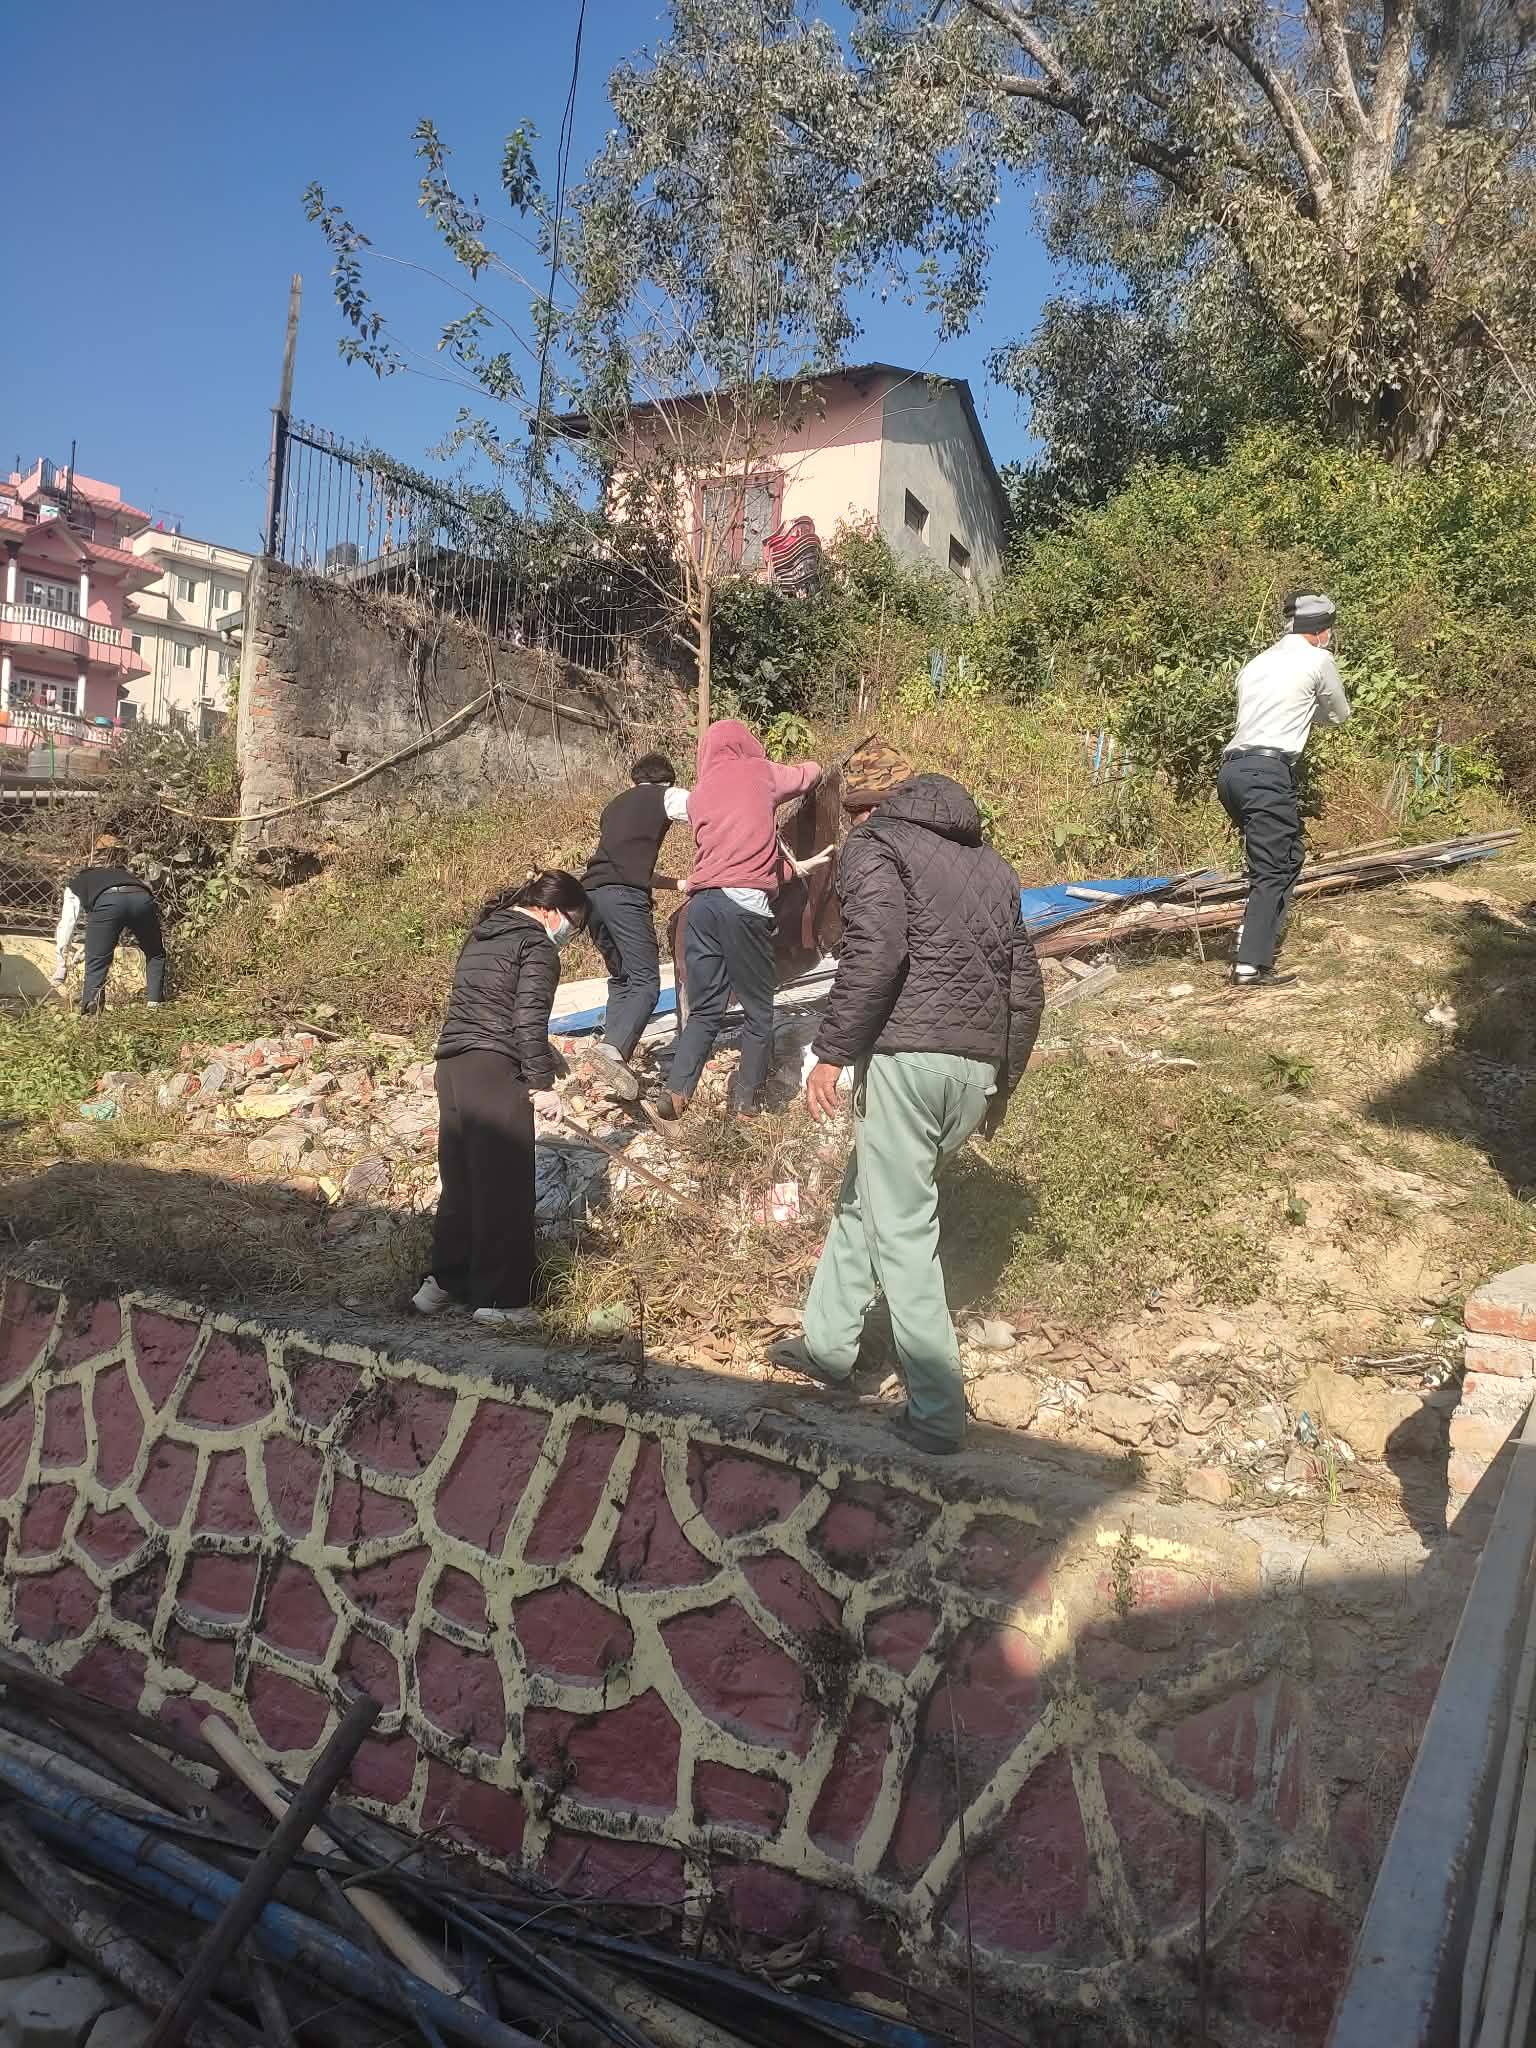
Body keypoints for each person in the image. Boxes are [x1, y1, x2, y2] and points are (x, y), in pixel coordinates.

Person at [770, 748, 1044, 1455]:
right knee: (868, 1197)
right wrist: (1003, 1083)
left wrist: (832, 1051)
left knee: (902, 1231)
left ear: (865, 808)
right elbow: (1024, 982)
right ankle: (827, 1347)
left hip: (908, 1059)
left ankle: (937, 1410)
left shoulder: (877, 846)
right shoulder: (993, 866)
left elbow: (878, 950)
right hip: (974, 1068)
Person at [412, 870, 590, 1331]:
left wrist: (538, 1059)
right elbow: (527, 1017)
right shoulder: (536, 946)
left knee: (463, 1180)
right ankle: (501, 1300)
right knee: (505, 1184)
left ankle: (444, 1283)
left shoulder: (482, 934)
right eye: (573, 922)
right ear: (550, 911)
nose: (571, 933)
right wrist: (542, 1083)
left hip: (453, 1066)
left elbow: (482, 1006)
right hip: (494, 1068)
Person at [660, 718, 821, 1120]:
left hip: (700, 906)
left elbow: (736, 852)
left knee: (705, 1010)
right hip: (742, 905)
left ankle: (676, 1092)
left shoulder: (700, 794)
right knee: (758, 1011)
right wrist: (819, 766)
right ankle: (745, 1104)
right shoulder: (759, 772)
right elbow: (806, 776)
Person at [1217, 591, 1351, 988]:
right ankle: (1249, 965)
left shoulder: (1257, 663)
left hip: (1232, 773)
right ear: (1320, 630)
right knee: (1272, 868)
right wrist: (1314, 712)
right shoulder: (1318, 659)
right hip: (1267, 773)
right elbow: (1338, 714)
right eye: (1329, 629)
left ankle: (1254, 933)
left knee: (1289, 856)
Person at [579, 752, 686, 1094]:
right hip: (624, 899)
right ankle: (613, 1050)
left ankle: (610, 1052)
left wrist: (679, 884)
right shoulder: (666, 796)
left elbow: (627, 865)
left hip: (591, 897)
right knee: (646, 982)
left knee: (622, 977)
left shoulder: (613, 807)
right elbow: (709, 810)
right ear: (667, 781)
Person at [51, 837, 168, 1014]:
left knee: (97, 962)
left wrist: (61, 966)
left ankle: (92, 1014)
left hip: (109, 903)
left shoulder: (76, 883)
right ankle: (155, 1006)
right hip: (142, 898)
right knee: (155, 953)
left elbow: (67, 924)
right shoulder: (121, 874)